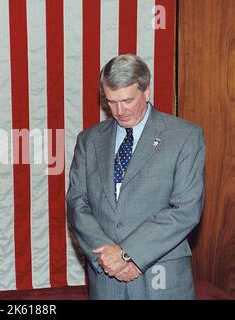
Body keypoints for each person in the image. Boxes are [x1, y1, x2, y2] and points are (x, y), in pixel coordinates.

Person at [66, 54, 205, 299]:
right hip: (106, 277)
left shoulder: (184, 136)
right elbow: (78, 203)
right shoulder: (89, 140)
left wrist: (127, 254)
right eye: (111, 101)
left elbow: (185, 209)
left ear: (147, 91)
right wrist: (108, 257)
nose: (119, 111)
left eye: (127, 100)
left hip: (161, 276)